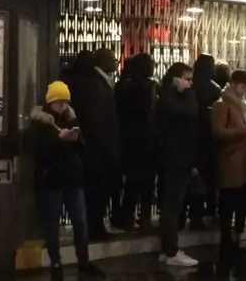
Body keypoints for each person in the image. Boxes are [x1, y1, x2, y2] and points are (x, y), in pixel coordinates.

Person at [31, 81, 104, 281]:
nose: (63, 105)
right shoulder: (41, 123)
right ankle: (56, 263)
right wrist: (58, 140)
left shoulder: (71, 119)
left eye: (65, 101)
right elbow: (36, 150)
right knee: (52, 223)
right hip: (51, 179)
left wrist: (77, 140)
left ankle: (84, 261)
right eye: (59, 101)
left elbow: (82, 148)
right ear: (51, 102)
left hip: (72, 178)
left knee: (81, 221)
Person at [70, 48, 121, 241]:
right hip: (98, 150)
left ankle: (95, 226)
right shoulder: (94, 84)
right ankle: (94, 228)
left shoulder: (97, 81)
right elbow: (97, 120)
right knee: (97, 191)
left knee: (97, 191)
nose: (116, 62)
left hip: (97, 148)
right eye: (112, 58)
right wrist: (108, 147)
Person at [156, 62, 200, 267]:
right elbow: (192, 112)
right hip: (175, 158)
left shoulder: (171, 98)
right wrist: (189, 94)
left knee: (173, 204)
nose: (190, 84)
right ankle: (171, 250)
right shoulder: (170, 100)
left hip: (178, 157)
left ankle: (169, 248)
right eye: (187, 79)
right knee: (172, 205)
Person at [212, 70, 246, 248]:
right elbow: (218, 131)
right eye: (243, 87)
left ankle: (236, 233)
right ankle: (226, 236)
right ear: (233, 84)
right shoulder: (222, 104)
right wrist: (243, 132)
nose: (244, 91)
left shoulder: (240, 104)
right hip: (230, 158)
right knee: (228, 199)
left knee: (241, 198)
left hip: (242, 158)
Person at [115, 53, 158, 231]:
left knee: (133, 183)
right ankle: (144, 217)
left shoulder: (123, 87)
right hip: (145, 140)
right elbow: (150, 112)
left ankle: (128, 218)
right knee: (145, 183)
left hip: (130, 140)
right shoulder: (149, 87)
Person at [190, 54, 223, 227]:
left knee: (195, 177)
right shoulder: (214, 88)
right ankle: (210, 211)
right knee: (211, 177)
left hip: (193, 137)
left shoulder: (191, 86)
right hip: (210, 138)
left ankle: (194, 214)